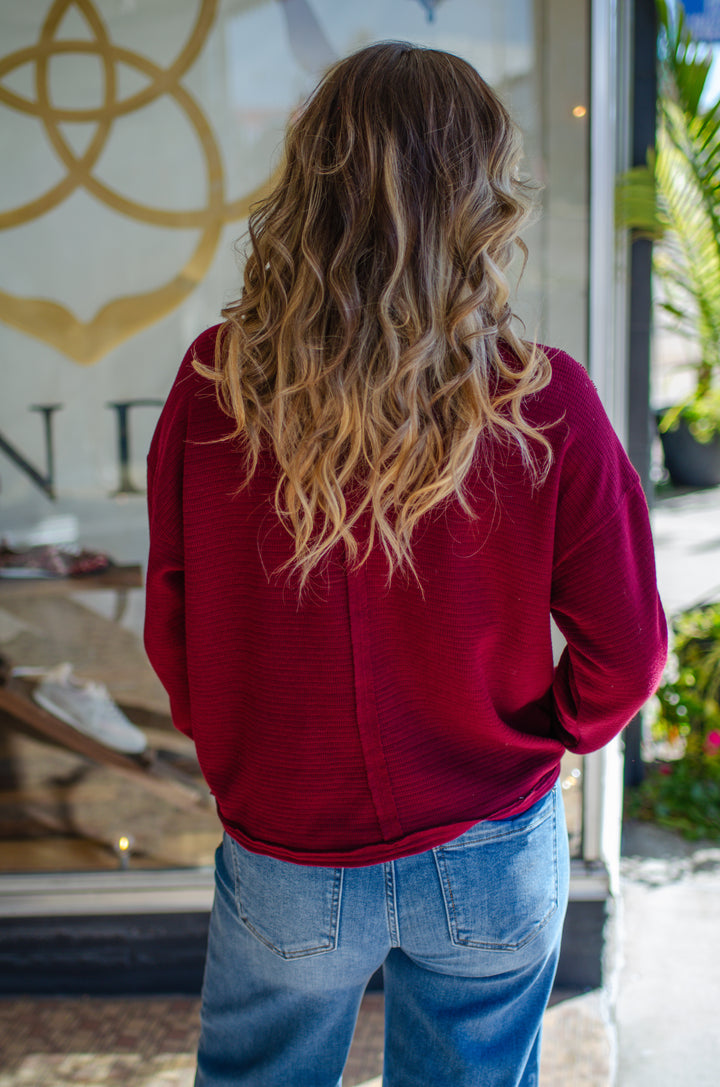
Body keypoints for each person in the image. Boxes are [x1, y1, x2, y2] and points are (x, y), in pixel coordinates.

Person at [144, 42, 667, 1087]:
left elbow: (174, 625)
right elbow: (631, 651)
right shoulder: (540, 399)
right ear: (480, 200)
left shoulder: (216, 388)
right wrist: (538, 741)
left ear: (309, 188)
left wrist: (248, 752)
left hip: (288, 838)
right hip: (489, 833)